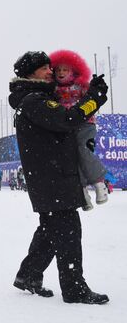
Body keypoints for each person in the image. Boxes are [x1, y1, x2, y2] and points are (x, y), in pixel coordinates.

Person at [9, 51, 109, 304]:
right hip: (52, 179)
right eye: (44, 68)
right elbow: (67, 120)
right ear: (30, 74)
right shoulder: (34, 101)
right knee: (68, 233)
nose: (50, 72)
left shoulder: (36, 98)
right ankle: (74, 288)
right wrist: (93, 99)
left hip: (52, 178)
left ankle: (28, 275)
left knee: (50, 230)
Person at [50, 49, 108, 210]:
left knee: (84, 151)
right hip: (67, 127)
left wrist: (95, 89)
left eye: (65, 69)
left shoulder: (81, 85)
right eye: (58, 70)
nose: (61, 73)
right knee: (72, 157)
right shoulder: (54, 90)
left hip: (85, 124)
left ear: (74, 70)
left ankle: (99, 183)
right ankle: (82, 193)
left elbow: (93, 98)